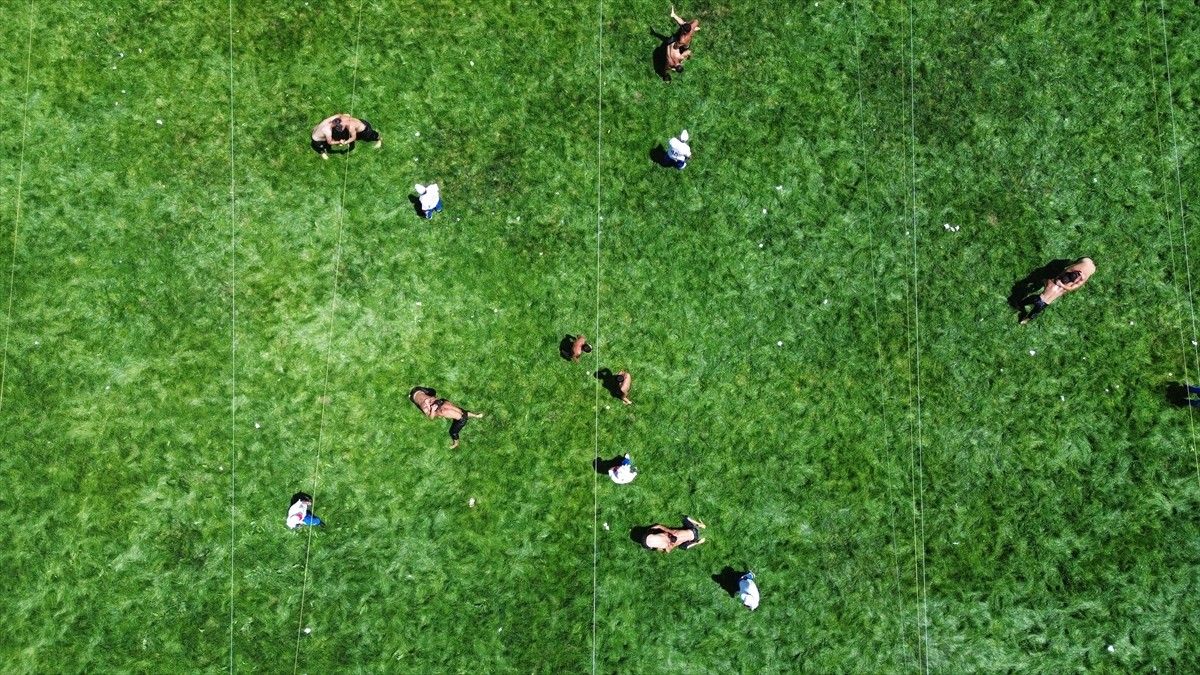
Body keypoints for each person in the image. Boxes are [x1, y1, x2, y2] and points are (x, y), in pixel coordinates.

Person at [1019, 257, 1096, 324]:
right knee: (1034, 313)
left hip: (1039, 299)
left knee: (1028, 301)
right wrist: (1081, 279)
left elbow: (1065, 271)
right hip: (1044, 304)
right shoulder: (1065, 288)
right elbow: (1073, 287)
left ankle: (1020, 304)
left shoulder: (1051, 282)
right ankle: (1026, 319)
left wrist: (1044, 280)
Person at [409, 387, 484, 449]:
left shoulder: (441, 411)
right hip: (461, 413)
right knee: (464, 412)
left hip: (461, 420)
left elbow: (431, 417)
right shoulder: (444, 402)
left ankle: (456, 444)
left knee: (453, 432)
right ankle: (476, 416)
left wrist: (432, 409)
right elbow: (437, 400)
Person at [310, 114, 382, 159]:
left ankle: (379, 139)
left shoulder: (346, 124)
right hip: (317, 139)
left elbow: (353, 137)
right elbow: (329, 142)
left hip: (365, 130)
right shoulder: (337, 120)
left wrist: (345, 142)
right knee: (320, 146)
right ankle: (321, 152)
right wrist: (339, 142)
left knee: (372, 136)